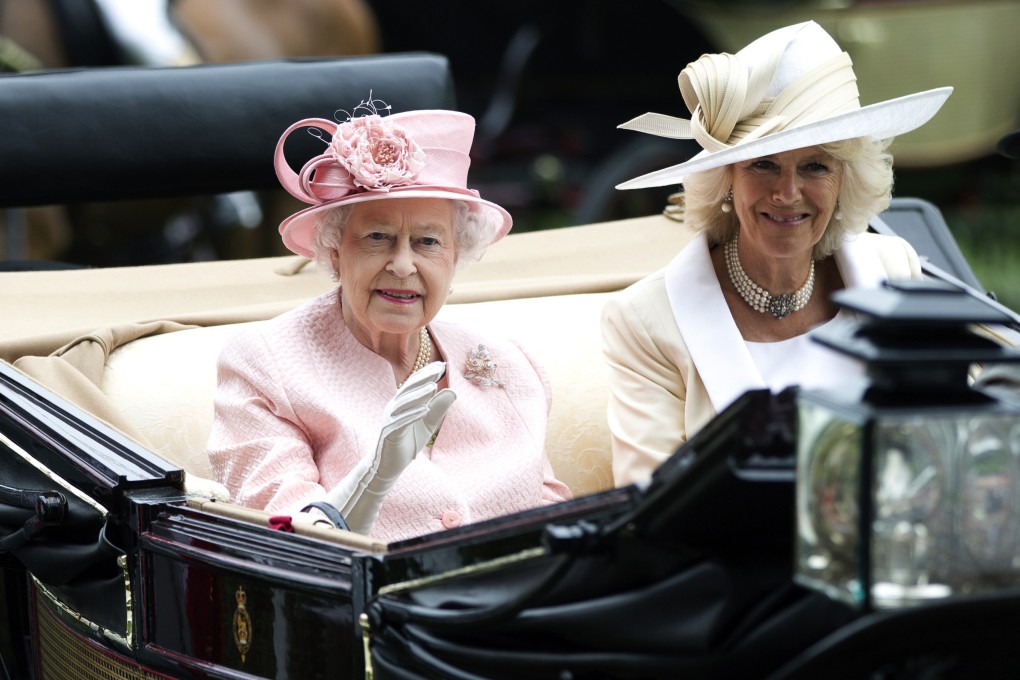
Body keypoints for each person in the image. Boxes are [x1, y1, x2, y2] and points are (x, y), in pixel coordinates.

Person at [601, 21, 953, 486]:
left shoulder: (895, 270)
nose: (787, 193)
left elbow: (947, 439)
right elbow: (648, 507)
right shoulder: (644, 322)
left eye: (814, 166)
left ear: (846, 179)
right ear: (726, 177)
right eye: (764, 164)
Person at [208, 100, 571, 542]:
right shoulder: (266, 365)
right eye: (378, 237)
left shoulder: (510, 362)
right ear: (335, 251)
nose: (403, 264)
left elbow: (555, 516)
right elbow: (285, 536)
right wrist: (369, 482)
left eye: (428, 241)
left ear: (455, 257)